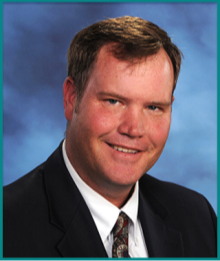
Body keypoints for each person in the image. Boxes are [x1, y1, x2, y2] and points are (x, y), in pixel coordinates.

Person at [3, 16, 216, 257]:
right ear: (71, 98)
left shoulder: (198, 218)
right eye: (113, 101)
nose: (134, 129)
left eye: (154, 107)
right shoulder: (8, 226)